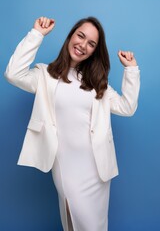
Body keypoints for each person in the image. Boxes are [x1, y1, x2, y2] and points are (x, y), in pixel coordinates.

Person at [5, 16, 140, 231]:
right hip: (66, 166)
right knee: (74, 219)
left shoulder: (97, 84)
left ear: (95, 51)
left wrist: (131, 70)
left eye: (91, 44)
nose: (83, 45)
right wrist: (36, 34)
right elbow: (13, 74)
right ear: (71, 36)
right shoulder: (45, 75)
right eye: (81, 36)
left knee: (95, 226)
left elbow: (127, 107)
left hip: (97, 169)